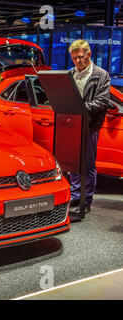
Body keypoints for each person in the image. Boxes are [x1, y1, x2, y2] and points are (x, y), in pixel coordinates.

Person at [67, 39, 110, 222]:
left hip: (90, 124)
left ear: (89, 55)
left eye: (80, 57)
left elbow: (102, 101)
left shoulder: (101, 75)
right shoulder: (69, 74)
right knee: (73, 163)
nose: (77, 61)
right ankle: (76, 195)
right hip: (71, 124)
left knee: (88, 164)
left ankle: (87, 199)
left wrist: (81, 107)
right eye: (74, 58)